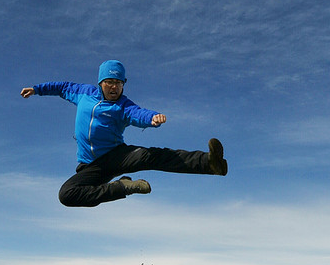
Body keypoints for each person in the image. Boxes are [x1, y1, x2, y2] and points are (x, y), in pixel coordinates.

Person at [21, 60, 227, 207]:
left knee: (153, 156)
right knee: (66, 195)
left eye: (119, 83)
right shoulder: (83, 93)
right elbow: (62, 87)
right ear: (101, 82)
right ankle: (122, 187)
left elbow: (138, 113)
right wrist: (37, 89)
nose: (114, 87)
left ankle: (209, 163)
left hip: (117, 156)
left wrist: (152, 118)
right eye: (110, 82)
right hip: (90, 165)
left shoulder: (123, 105)